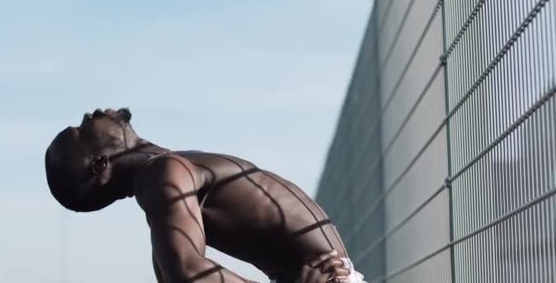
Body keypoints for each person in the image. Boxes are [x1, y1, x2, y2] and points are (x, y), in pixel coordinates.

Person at [45, 108, 366, 283]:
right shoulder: (161, 174)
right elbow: (185, 272)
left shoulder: (164, 177)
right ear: (101, 163)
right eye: (80, 131)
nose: (88, 115)